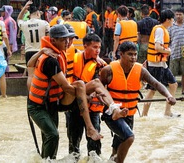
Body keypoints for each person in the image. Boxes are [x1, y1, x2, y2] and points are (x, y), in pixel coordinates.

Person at [27, 24, 126, 159]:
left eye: (70, 39)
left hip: (84, 107)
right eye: (65, 39)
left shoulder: (98, 64)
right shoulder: (58, 57)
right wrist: (41, 51)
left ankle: (113, 109)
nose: (68, 42)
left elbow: (102, 89)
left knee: (92, 146)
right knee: (62, 140)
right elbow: (66, 87)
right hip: (54, 104)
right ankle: (50, 160)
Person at [100, 41, 176, 163]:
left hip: (129, 114)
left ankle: (112, 160)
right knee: (129, 137)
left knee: (118, 146)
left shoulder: (140, 70)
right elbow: (99, 89)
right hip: (112, 114)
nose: (133, 57)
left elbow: (156, 83)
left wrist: (168, 95)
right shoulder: (108, 70)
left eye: (135, 54)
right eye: (130, 54)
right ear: (121, 54)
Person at [66, 33, 110, 156]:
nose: (98, 50)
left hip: (93, 109)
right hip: (74, 107)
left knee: (94, 146)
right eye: (95, 47)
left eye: (99, 47)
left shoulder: (101, 66)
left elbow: (100, 86)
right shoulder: (73, 58)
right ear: (85, 46)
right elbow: (67, 81)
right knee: (73, 144)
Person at [142, 9, 179, 117]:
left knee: (173, 84)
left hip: (161, 64)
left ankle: (168, 112)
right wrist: (168, 51)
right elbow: (158, 47)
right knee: (152, 90)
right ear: (167, 19)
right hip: (155, 65)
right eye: (172, 19)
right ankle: (144, 115)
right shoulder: (159, 30)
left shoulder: (163, 29)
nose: (173, 21)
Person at [17, 2, 50, 67]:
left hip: (29, 51)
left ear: (29, 15)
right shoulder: (45, 23)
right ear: (38, 13)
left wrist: (24, 8)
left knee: (30, 74)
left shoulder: (24, 24)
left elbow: (19, 19)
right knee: (41, 73)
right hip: (41, 50)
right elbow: (49, 37)